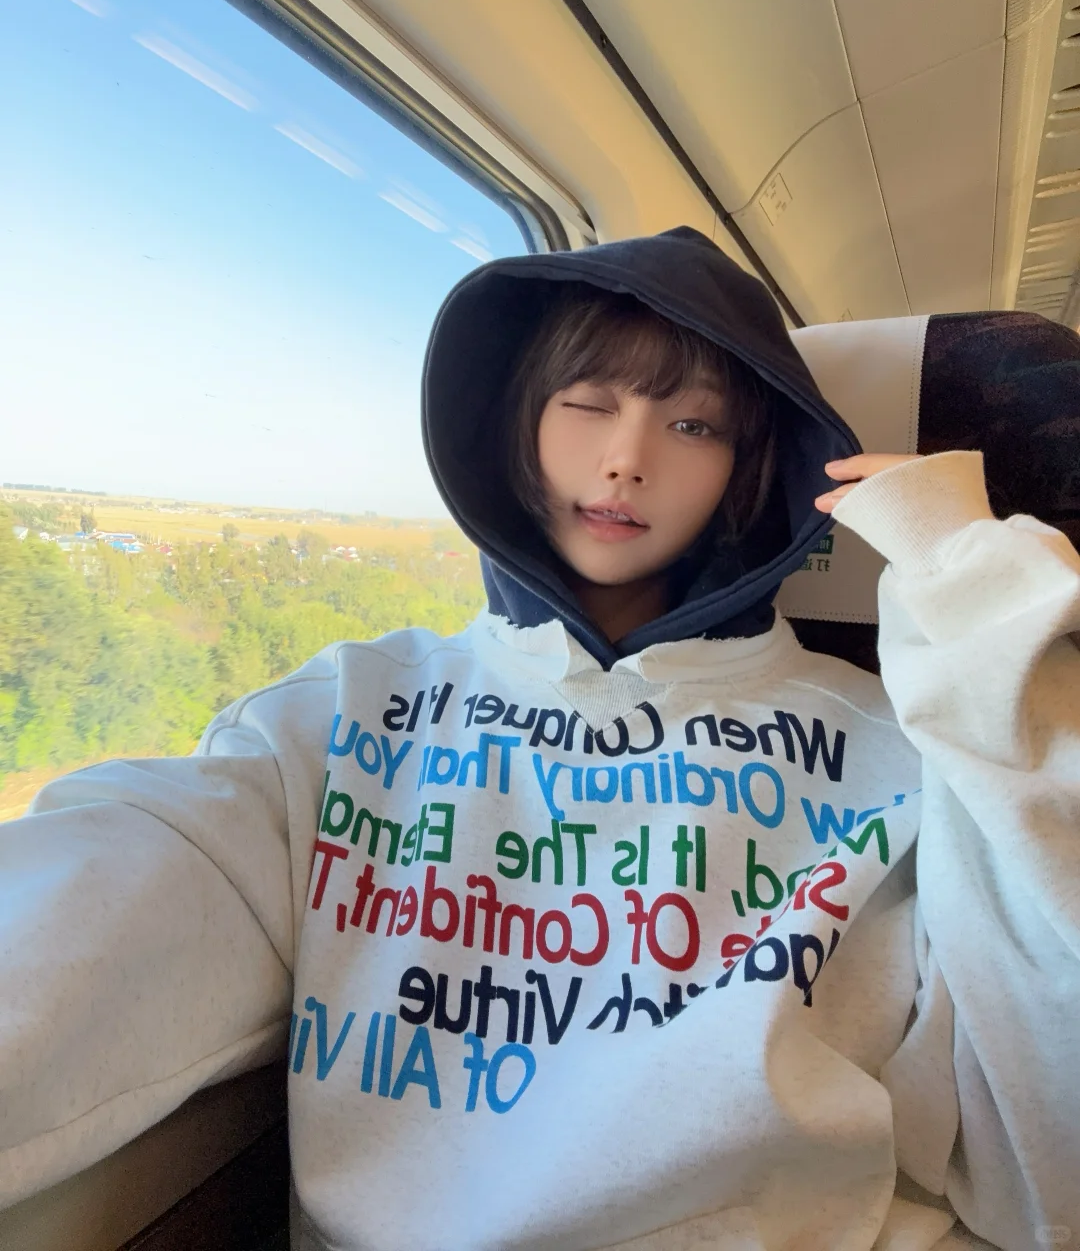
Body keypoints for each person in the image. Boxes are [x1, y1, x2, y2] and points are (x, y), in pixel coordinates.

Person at [2, 226, 1079, 1251]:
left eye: (694, 427)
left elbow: (1043, 1173)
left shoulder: (898, 748)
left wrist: (977, 601)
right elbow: (112, 876)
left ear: (752, 465)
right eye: (587, 403)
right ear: (515, 422)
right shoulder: (343, 714)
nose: (626, 460)